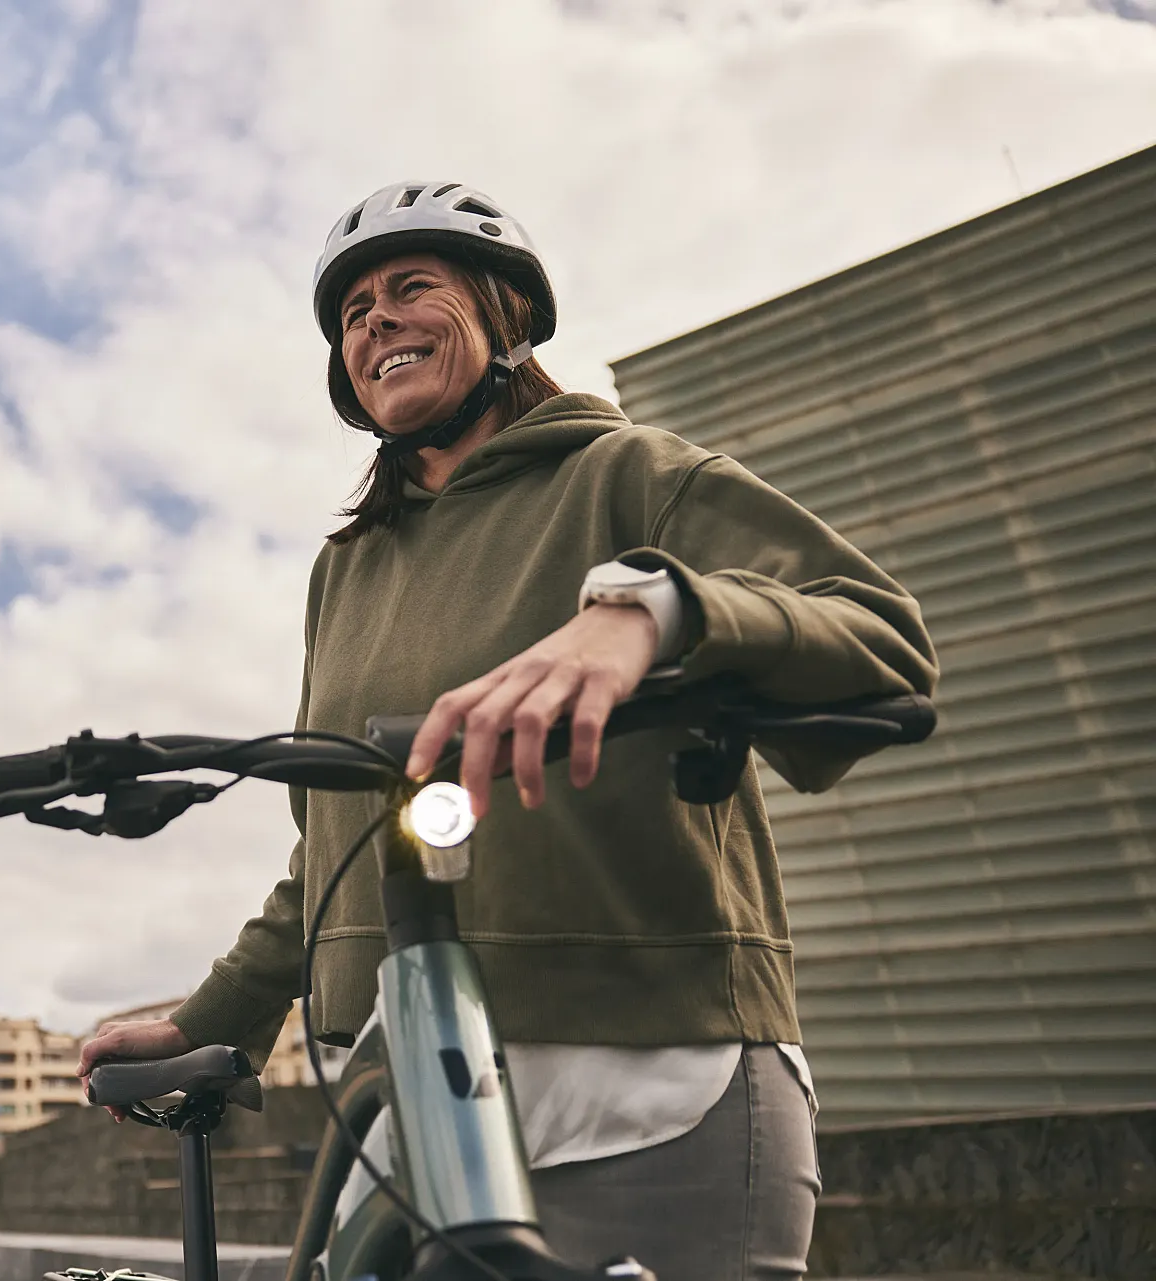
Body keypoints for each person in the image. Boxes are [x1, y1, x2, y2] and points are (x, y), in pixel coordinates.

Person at [78, 181, 940, 1281]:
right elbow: (340, 837)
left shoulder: (628, 474)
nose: (374, 321)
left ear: (506, 317)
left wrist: (652, 611)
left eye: (409, 289)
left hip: (647, 1078)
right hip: (411, 1101)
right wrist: (221, 1017)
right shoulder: (347, 567)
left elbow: (885, 640)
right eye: (351, 314)